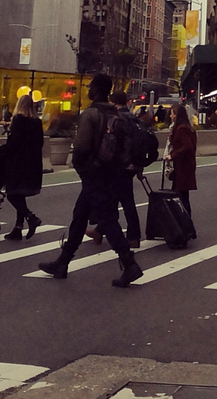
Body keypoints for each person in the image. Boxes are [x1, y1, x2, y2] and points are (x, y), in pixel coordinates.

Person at [38, 73, 143, 287]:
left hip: (94, 174)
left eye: (90, 86)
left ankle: (129, 263)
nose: (88, 89)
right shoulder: (117, 114)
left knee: (106, 219)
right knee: (80, 217)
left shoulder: (91, 114)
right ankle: (63, 262)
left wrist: (81, 168)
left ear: (96, 90)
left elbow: (82, 147)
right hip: (112, 172)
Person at [85, 91, 143, 251]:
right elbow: (138, 145)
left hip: (118, 166)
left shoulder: (117, 119)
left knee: (118, 201)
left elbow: (110, 143)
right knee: (119, 200)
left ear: (114, 103)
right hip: (131, 166)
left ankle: (132, 236)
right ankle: (101, 231)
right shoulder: (134, 118)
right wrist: (138, 166)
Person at [1, 93, 43, 240]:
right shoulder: (37, 122)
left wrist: (1, 149)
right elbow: (40, 143)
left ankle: (31, 217)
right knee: (20, 194)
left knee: (12, 194)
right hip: (33, 163)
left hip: (19, 163)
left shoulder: (19, 120)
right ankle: (18, 228)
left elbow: (14, 144)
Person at [166, 103, 197, 239]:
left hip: (183, 168)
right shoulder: (186, 128)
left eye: (173, 113)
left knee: (181, 198)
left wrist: (172, 155)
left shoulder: (181, 129)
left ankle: (186, 228)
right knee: (183, 197)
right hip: (185, 167)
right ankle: (185, 227)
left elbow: (187, 146)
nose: (171, 116)